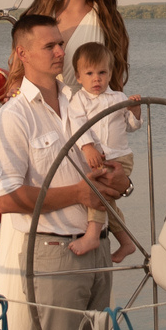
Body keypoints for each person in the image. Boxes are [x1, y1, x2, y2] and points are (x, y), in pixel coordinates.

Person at [0, 13, 130, 330]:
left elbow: (107, 172)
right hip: (56, 254)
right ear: (22, 53)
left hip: (97, 252)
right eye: (48, 46)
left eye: (60, 44)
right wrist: (79, 194)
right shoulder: (11, 119)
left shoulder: (81, 103)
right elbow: (7, 199)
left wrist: (119, 182)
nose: (59, 51)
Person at [64, 40, 137, 262]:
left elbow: (132, 126)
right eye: (90, 73)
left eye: (102, 73)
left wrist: (135, 110)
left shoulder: (118, 98)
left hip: (120, 157)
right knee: (104, 198)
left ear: (110, 73)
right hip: (97, 157)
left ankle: (93, 235)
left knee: (97, 191)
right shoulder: (79, 100)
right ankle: (127, 242)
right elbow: (76, 123)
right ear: (78, 77)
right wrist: (87, 146)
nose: (97, 78)